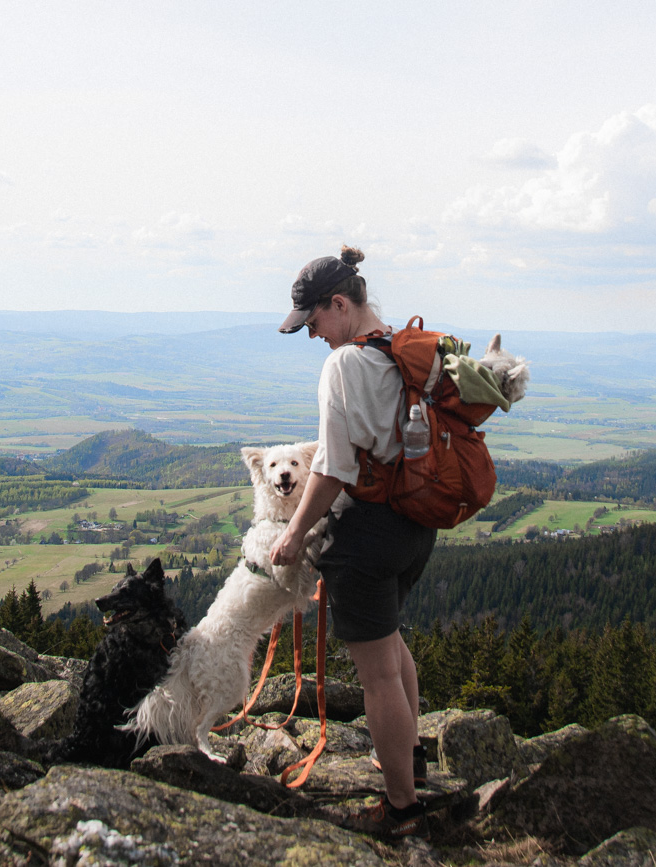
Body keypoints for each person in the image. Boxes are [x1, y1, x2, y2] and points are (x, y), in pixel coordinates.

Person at [269, 245, 437, 840]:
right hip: (415, 526)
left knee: (379, 678)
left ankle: (401, 808)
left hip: (365, 534)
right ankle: (410, 760)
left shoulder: (344, 367)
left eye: (313, 323)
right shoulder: (404, 349)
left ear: (339, 304)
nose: (314, 336)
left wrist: (293, 535)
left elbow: (334, 468)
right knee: (391, 648)